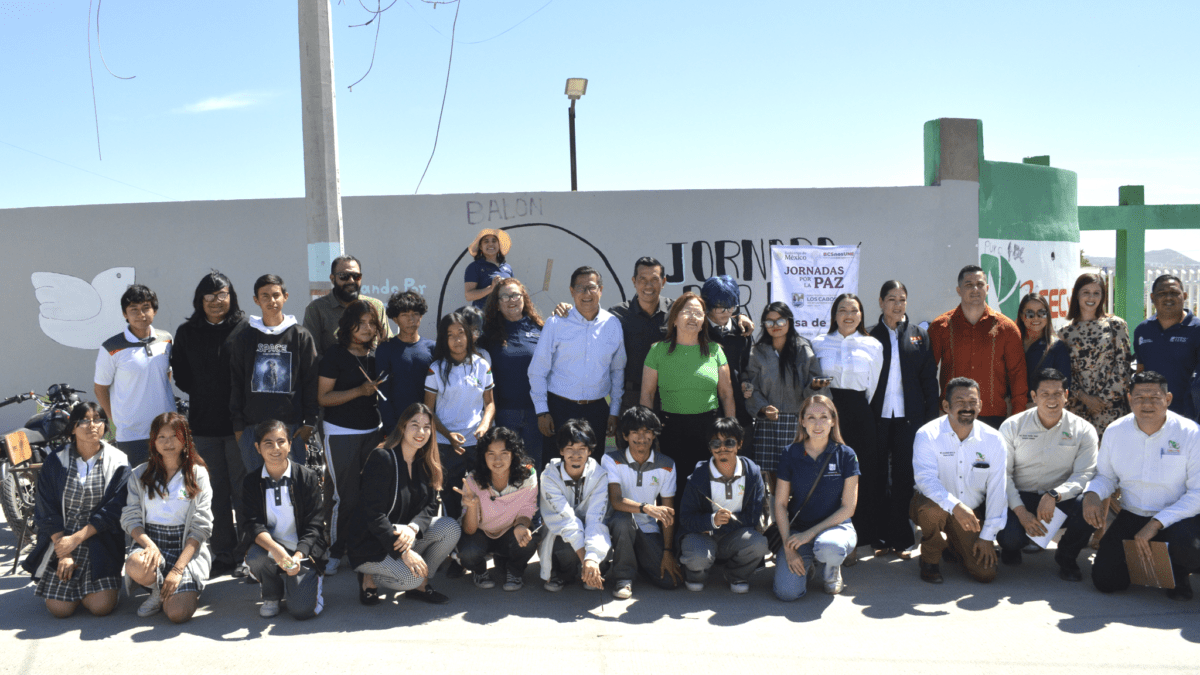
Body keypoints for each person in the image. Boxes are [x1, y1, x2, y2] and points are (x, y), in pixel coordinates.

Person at [1083, 370, 1200, 599]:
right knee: (1106, 581)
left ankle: (1179, 573)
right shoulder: (1116, 431)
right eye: (1139, 398)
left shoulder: (1190, 433)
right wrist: (1092, 494)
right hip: (1132, 514)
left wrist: (1156, 523)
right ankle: (1148, 565)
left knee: (1190, 549)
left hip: (1177, 517)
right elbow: (1106, 476)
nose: (1147, 404)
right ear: (1129, 399)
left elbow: (1198, 493)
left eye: (1155, 398)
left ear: (1168, 399)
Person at [171, 270, 248, 577]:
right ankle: (223, 552)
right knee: (213, 493)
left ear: (232, 296)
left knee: (243, 491)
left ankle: (246, 552)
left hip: (239, 425)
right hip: (203, 425)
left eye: (222, 295)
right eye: (209, 297)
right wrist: (205, 391)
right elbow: (182, 375)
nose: (217, 302)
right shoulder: (187, 332)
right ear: (199, 300)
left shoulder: (245, 328)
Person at [23, 402, 130, 618]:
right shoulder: (56, 461)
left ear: (105, 426)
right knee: (59, 609)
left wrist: (77, 538)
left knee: (101, 607)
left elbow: (114, 510)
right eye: (84, 421)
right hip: (62, 540)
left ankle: (94, 589)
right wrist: (64, 552)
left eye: (98, 420)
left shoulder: (118, 461)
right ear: (72, 427)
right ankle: (74, 588)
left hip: (100, 540)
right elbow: (46, 508)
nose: (92, 425)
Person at [347, 403, 460, 606]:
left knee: (450, 528)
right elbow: (373, 515)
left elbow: (431, 507)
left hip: (404, 535)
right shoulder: (382, 457)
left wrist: (413, 527)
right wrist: (405, 553)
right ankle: (368, 576)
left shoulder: (426, 462)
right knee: (410, 577)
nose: (421, 432)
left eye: (427, 427)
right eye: (414, 425)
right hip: (373, 542)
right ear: (402, 427)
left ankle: (421, 585)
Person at [997, 368, 1098, 581]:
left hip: (1059, 498)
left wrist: (1054, 494)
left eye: (1057, 393)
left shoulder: (1083, 429)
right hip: (1019, 496)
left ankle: (1067, 557)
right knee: (1010, 538)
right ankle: (1011, 547)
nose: (1052, 399)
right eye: (1045, 394)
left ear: (1066, 395)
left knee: (1088, 504)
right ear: (1034, 396)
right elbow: (1002, 475)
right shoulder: (1012, 426)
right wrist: (1022, 513)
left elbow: (1085, 474)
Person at [910, 377, 1006, 584]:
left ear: (980, 405)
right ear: (946, 406)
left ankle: (955, 544)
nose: (967, 407)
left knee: (985, 573)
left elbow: (999, 489)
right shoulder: (927, 434)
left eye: (972, 402)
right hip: (933, 505)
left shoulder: (994, 439)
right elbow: (925, 480)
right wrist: (956, 506)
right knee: (932, 511)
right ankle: (929, 559)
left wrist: (987, 536)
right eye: (960, 402)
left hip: (969, 513)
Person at [867, 280, 939, 557]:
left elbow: (928, 380)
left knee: (903, 476)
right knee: (876, 477)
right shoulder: (870, 336)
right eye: (891, 299)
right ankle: (879, 537)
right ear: (881, 302)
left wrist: (931, 418)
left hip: (909, 419)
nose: (897, 305)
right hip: (878, 418)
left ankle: (902, 537)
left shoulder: (919, 335)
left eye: (902, 299)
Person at [121, 412, 213, 623]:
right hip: (152, 542)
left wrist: (178, 569)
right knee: (135, 563)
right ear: (153, 441)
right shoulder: (140, 474)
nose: (167, 442)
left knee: (177, 614)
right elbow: (130, 518)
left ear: (185, 440)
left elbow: (202, 526)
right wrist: (149, 545)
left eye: (174, 436)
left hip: (186, 548)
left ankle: (178, 587)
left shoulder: (197, 474)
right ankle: (157, 590)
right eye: (161, 437)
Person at [641, 292, 736, 495]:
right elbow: (647, 395)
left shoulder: (715, 351)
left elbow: (727, 394)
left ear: (703, 322)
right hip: (671, 429)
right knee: (674, 488)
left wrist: (731, 430)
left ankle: (704, 526)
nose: (693, 317)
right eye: (687, 312)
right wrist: (648, 432)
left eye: (698, 313)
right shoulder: (658, 350)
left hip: (708, 430)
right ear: (674, 318)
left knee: (707, 487)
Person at [317, 299, 386, 575]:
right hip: (341, 433)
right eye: (362, 323)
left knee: (369, 494)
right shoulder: (334, 355)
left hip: (373, 431)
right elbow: (322, 397)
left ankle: (362, 546)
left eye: (372, 323)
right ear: (348, 325)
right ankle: (335, 550)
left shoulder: (376, 354)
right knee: (344, 496)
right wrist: (359, 391)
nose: (368, 328)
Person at [811, 293, 883, 554]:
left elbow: (873, 386)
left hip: (859, 412)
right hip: (828, 411)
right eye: (842, 310)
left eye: (854, 310)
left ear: (862, 315)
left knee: (859, 471)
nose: (848, 315)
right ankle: (825, 529)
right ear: (834, 314)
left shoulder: (873, 345)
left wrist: (858, 408)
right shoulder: (818, 343)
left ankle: (861, 532)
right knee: (828, 470)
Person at [528, 266, 626, 449]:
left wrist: (614, 411)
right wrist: (542, 411)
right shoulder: (556, 323)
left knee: (592, 469)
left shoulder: (613, 324)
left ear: (601, 290)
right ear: (572, 291)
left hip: (597, 411)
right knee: (556, 469)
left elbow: (617, 370)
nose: (586, 293)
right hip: (559, 410)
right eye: (580, 288)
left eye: (591, 287)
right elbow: (537, 370)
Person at [229, 274, 319, 471]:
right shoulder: (245, 337)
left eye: (276, 295)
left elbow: (311, 381)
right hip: (252, 428)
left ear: (285, 296)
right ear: (256, 300)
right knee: (258, 491)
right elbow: (236, 381)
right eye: (265, 296)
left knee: (292, 489)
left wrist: (310, 423)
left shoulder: (300, 335)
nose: (272, 301)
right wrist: (238, 427)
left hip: (291, 428)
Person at [773, 395, 859, 600]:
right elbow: (780, 504)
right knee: (787, 593)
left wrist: (809, 534)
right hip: (798, 531)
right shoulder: (790, 453)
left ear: (833, 420)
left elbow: (848, 508)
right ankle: (808, 565)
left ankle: (831, 569)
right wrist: (789, 547)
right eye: (811, 417)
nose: (817, 424)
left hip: (835, 528)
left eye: (823, 417)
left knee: (831, 547)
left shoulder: (846, 455)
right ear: (802, 421)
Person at [242, 420, 328, 619]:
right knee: (255, 556)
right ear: (257, 448)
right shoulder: (251, 482)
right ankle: (271, 594)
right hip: (272, 549)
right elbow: (252, 523)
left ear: (290, 444)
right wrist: (275, 549)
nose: (276, 448)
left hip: (303, 552)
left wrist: (298, 555)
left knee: (301, 611)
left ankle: (307, 580)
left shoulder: (306, 477)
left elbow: (314, 525)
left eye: (281, 442)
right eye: (268, 443)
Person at [744, 302, 829, 498]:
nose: (776, 325)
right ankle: (777, 518)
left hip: (797, 420)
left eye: (780, 320)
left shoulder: (802, 348)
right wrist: (762, 408)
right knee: (773, 474)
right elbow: (749, 385)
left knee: (798, 470)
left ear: (789, 322)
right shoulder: (758, 351)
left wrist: (814, 387)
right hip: (769, 422)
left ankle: (799, 515)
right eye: (770, 321)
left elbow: (816, 382)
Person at [929, 265, 1028, 427]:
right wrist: (935, 410)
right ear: (958, 290)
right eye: (968, 284)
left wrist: (1016, 419)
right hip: (952, 415)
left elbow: (1018, 377)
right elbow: (927, 375)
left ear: (987, 288)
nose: (975, 289)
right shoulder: (940, 327)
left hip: (994, 417)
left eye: (980, 284)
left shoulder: (1007, 329)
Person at [677, 417, 769, 593]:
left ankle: (736, 574)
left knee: (758, 544)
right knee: (697, 564)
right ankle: (697, 574)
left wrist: (718, 526)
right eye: (716, 443)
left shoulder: (752, 473)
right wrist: (712, 520)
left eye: (729, 442)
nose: (722, 448)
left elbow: (753, 516)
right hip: (702, 535)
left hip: (734, 536)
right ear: (710, 447)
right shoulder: (698, 477)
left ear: (740, 444)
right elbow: (686, 518)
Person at [602, 406, 682, 598]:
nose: (641, 437)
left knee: (671, 581)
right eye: (635, 432)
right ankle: (624, 578)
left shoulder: (667, 464)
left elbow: (668, 512)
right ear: (625, 435)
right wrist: (646, 508)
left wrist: (667, 551)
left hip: (647, 528)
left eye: (647, 431)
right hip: (617, 524)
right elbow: (616, 501)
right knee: (623, 519)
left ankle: (637, 561)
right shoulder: (611, 459)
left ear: (654, 435)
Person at [93, 284, 175, 467]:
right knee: (137, 487)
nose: (141, 314)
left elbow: (165, 376)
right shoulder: (111, 347)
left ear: (154, 310)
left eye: (146, 308)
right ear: (125, 314)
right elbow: (100, 388)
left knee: (169, 486)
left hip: (167, 430)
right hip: (132, 434)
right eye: (134, 309)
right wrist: (114, 420)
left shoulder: (167, 339)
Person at [424, 311, 495, 520]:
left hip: (477, 441)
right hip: (447, 444)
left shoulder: (482, 364)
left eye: (461, 333)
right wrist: (448, 435)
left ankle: (478, 537)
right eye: (450, 335)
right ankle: (453, 541)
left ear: (469, 335)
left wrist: (484, 426)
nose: (457, 340)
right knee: (450, 495)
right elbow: (428, 410)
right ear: (443, 339)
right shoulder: (435, 369)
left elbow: (489, 403)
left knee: (482, 491)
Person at [454, 427, 539, 591]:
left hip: (509, 530)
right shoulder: (473, 480)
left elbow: (527, 509)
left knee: (529, 540)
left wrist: (521, 526)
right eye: (490, 453)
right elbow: (470, 530)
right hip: (481, 533)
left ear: (513, 454)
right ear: (483, 456)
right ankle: (479, 570)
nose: (497, 460)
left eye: (504, 453)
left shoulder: (527, 474)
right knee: (468, 553)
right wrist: (471, 507)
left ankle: (514, 570)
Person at [539, 420, 612, 592]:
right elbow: (566, 520)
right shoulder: (549, 476)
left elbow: (596, 518)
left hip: (590, 530)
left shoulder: (600, 475)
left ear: (590, 451)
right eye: (570, 449)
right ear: (561, 451)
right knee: (564, 548)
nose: (576, 455)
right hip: (561, 531)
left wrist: (592, 559)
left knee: (600, 549)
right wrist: (586, 560)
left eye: (582, 449)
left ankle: (590, 571)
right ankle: (563, 574)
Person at [480, 278, 545, 466]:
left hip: (536, 415)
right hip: (503, 414)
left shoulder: (540, 328)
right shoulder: (488, 334)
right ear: (498, 304)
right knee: (506, 469)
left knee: (533, 467)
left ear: (524, 298)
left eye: (515, 294)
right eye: (505, 296)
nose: (511, 300)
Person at [1059, 273, 1133, 438]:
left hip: (1110, 409)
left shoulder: (1116, 325)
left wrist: (1101, 401)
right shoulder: (1065, 332)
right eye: (1086, 292)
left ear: (1103, 296)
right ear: (1077, 294)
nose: (1091, 297)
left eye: (1096, 293)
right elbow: (1065, 372)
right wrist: (1084, 397)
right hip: (1077, 409)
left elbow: (1123, 366)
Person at [702, 276, 756, 467]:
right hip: (707, 410)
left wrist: (747, 382)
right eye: (719, 307)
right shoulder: (699, 330)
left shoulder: (743, 332)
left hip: (740, 412)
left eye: (731, 306)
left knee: (743, 466)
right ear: (707, 305)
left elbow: (747, 367)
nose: (726, 312)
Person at [1134, 275, 1200, 421]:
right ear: (1152, 297)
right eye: (1162, 293)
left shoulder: (1197, 329)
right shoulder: (1142, 330)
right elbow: (1141, 371)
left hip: (1190, 415)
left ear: (1184, 296)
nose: (1168, 298)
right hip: (1152, 414)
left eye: (1174, 293)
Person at [303, 254, 392, 354]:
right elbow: (311, 353)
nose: (351, 281)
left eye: (356, 276)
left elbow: (387, 345)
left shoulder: (375, 306)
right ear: (332, 279)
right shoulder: (316, 309)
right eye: (343, 276)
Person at [374, 290, 436, 432]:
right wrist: (392, 428)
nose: (411, 319)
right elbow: (383, 393)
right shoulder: (386, 349)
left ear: (421, 316)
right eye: (404, 315)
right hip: (397, 427)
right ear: (395, 319)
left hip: (427, 426)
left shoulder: (433, 348)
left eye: (415, 314)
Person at [1017, 292, 1072, 398]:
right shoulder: (1012, 343)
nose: (1036, 318)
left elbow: (1064, 387)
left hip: (1044, 410)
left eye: (1041, 313)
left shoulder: (1057, 347)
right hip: (1013, 410)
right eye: (1030, 313)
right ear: (1022, 316)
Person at [463, 228, 514, 310]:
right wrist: (491, 288)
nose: (491, 244)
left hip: (506, 316)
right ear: (480, 246)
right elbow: (468, 296)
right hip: (484, 317)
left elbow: (513, 290)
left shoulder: (507, 267)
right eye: (486, 241)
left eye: (494, 241)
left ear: (499, 245)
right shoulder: (474, 267)